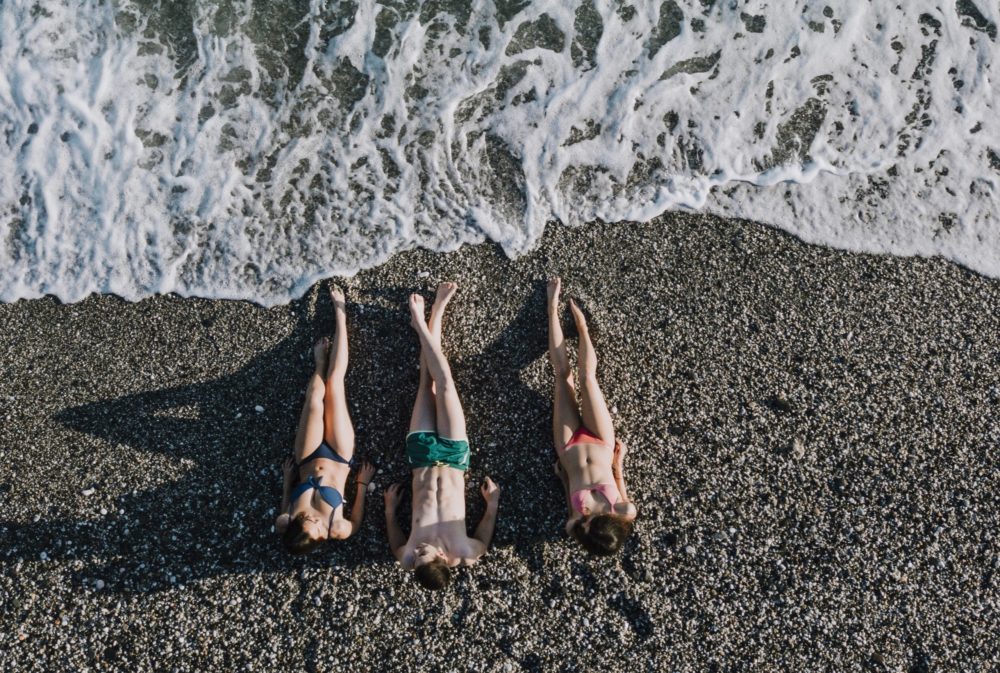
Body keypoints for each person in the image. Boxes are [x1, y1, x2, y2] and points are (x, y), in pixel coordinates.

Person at [384, 282, 501, 590]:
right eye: (424, 554)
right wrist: (492, 505)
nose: (417, 551)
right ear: (443, 557)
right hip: (453, 457)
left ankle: (433, 316)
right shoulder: (466, 553)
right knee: (445, 383)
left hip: (421, 456)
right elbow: (484, 538)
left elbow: (395, 542)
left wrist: (390, 511)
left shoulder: (406, 556)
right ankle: (424, 319)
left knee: (426, 382)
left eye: (415, 557)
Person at [276, 286, 375, 554]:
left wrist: (287, 481)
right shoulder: (337, 528)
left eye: (306, 521)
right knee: (334, 385)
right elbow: (356, 521)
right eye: (316, 528)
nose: (313, 520)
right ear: (321, 537)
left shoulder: (285, 521)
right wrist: (362, 484)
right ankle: (341, 315)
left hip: (306, 457)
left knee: (313, 400)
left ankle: (319, 363)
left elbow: (285, 506)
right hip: (339, 457)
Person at [547, 277, 636, 555]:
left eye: (582, 528)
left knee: (563, 377)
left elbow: (568, 494)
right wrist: (619, 462)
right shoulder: (624, 510)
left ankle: (551, 309)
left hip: (568, 447)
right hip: (601, 442)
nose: (583, 523)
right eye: (591, 524)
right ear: (608, 525)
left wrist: (562, 477)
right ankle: (582, 327)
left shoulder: (574, 523)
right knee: (587, 378)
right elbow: (619, 483)